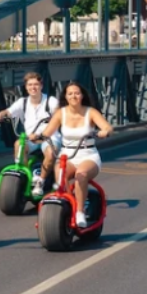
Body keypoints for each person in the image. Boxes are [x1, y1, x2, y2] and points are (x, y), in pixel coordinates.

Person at [37, 82, 114, 228]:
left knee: (81, 175)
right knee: (60, 174)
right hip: (67, 155)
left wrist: (105, 131)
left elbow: (107, 126)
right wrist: (38, 136)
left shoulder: (90, 112)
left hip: (88, 154)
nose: (74, 96)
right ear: (65, 96)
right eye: (70, 93)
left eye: (77, 93)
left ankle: (80, 211)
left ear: (82, 95)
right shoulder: (61, 113)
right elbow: (47, 132)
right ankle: (66, 206)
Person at [0, 71, 60, 197]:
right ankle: (23, 178)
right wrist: (0, 115)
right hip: (31, 138)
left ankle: (40, 181)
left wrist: (43, 133)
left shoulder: (51, 101)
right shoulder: (22, 102)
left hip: (49, 138)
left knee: (51, 153)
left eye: (36, 84)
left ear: (41, 85)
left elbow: (57, 117)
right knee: (19, 144)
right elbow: (9, 111)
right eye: (30, 85)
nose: (33, 88)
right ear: (26, 87)